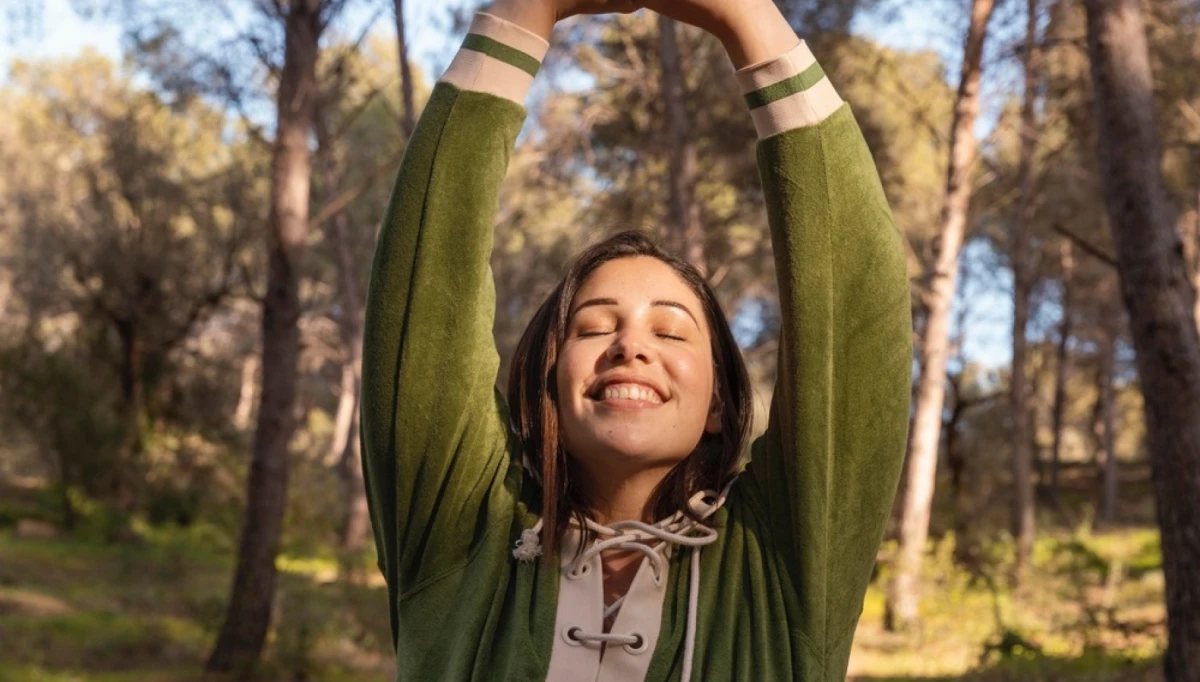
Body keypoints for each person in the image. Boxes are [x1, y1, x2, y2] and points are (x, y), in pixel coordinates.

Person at [359, 0, 913, 679]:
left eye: (672, 330)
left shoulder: (782, 565)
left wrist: (749, 19)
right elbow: (423, 302)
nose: (630, 345)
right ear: (547, 386)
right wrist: (525, 10)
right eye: (593, 325)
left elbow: (856, 320)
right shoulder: (462, 537)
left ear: (717, 403)